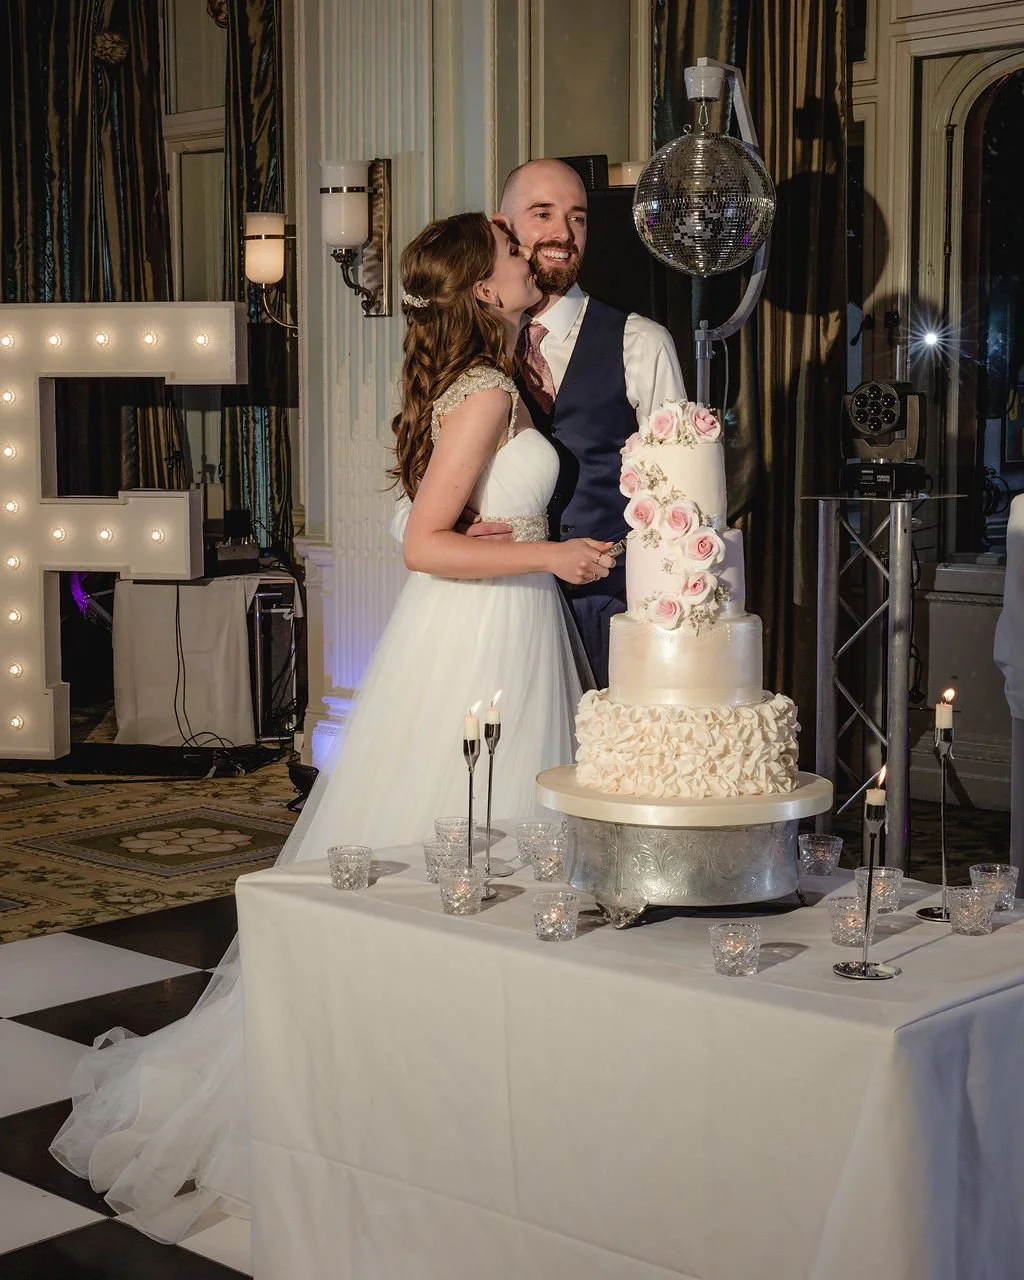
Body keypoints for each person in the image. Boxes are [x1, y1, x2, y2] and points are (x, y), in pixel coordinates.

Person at [50, 211, 615, 1243]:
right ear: (482, 288)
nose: (527, 260)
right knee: (476, 842)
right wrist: (549, 555)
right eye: (507, 252)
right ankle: (432, 1092)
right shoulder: (487, 391)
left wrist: (499, 530)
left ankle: (480, 1082)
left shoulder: (487, 385)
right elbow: (427, 546)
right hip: (485, 632)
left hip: (491, 627)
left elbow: (429, 517)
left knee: (483, 844)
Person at [391, 158, 686, 686]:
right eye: (542, 213)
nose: (562, 233)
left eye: (578, 217)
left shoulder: (641, 342)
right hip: (501, 611)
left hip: (608, 610)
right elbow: (417, 497)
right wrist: (455, 528)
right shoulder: (471, 361)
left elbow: (681, 499)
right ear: (503, 226)